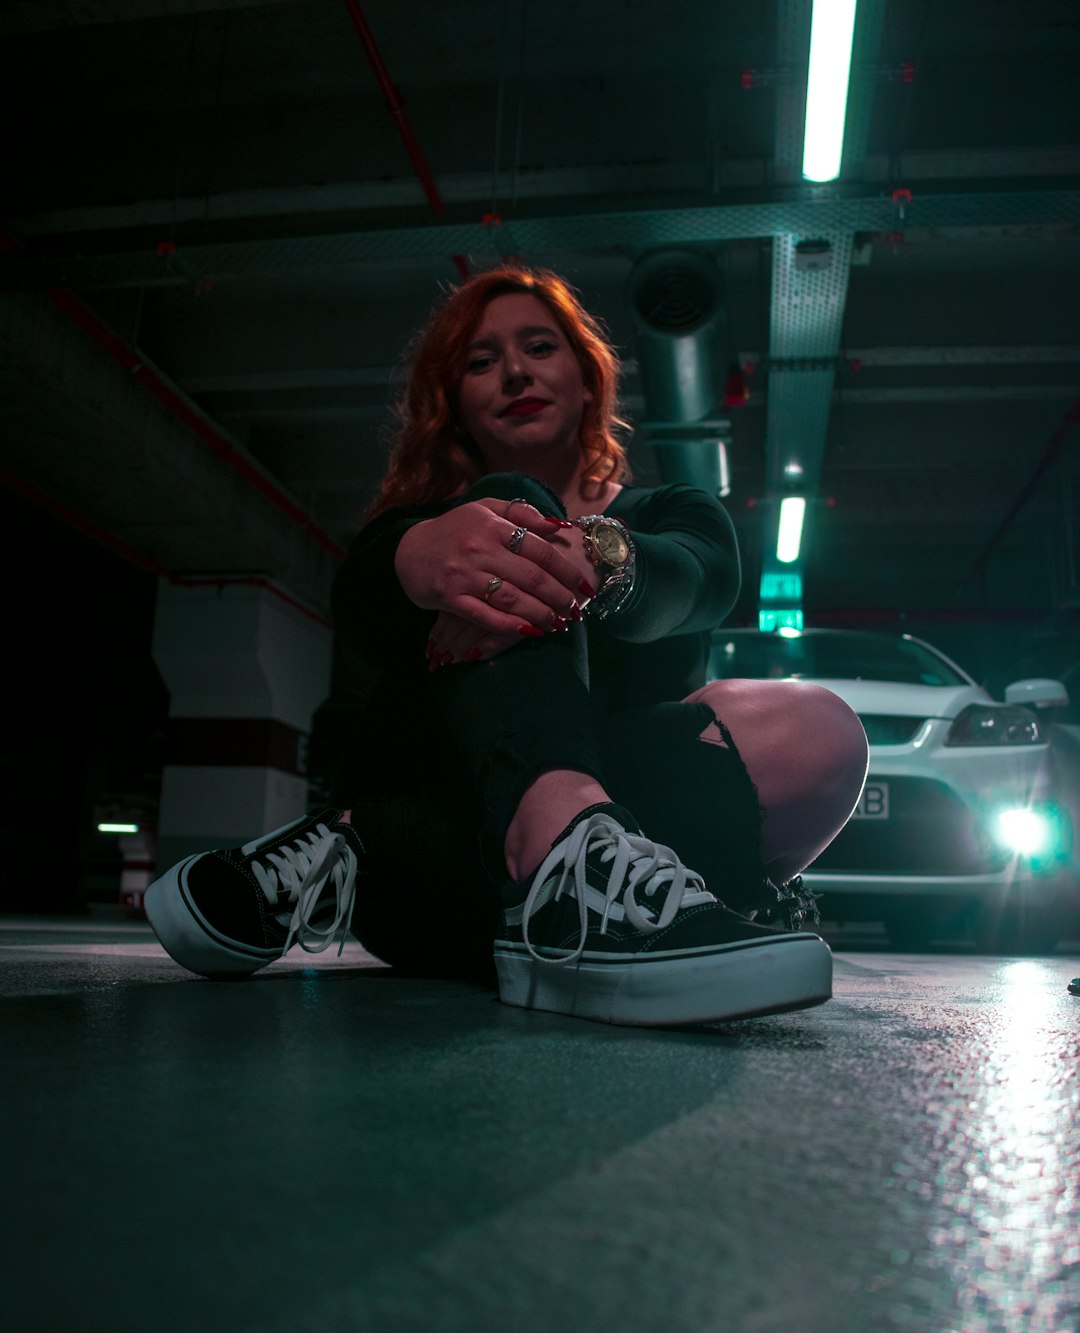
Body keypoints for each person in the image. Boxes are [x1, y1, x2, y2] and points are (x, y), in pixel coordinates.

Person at [144, 265, 869, 1027]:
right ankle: (550, 854)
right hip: (444, 854)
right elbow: (358, 602)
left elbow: (700, 580)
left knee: (821, 730)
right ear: (455, 407)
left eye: (538, 347)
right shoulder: (421, 527)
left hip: (547, 874)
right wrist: (423, 560)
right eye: (482, 362)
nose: (516, 370)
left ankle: (361, 849)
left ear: (587, 381)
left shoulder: (673, 512)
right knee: (509, 512)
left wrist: (599, 559)